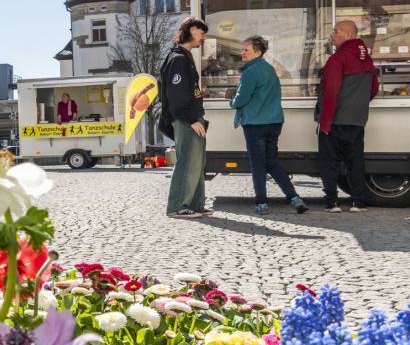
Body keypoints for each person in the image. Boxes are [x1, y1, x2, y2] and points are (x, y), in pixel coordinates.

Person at [229, 36, 308, 215]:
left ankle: (261, 203)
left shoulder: (250, 72)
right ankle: (295, 198)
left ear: (258, 52)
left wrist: (231, 102)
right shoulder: (270, 69)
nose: (242, 53)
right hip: (274, 122)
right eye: (242, 49)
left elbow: (241, 98)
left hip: (256, 123)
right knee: (272, 162)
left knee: (258, 164)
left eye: (246, 50)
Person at [316, 20, 379, 213]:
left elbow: (331, 91)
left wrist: (325, 123)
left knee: (330, 162)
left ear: (348, 35)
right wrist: (357, 105)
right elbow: (374, 88)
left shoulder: (338, 58)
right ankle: (358, 202)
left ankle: (332, 202)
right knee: (355, 162)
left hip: (334, 121)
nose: (332, 35)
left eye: (336, 31)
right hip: (356, 121)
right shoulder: (367, 60)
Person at [161, 17, 211, 219]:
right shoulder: (179, 59)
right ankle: (177, 207)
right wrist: (192, 119)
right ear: (192, 30)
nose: (203, 38)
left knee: (197, 163)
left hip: (191, 117)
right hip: (187, 119)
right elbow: (176, 94)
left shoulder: (183, 57)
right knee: (187, 163)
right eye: (201, 33)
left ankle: (195, 204)